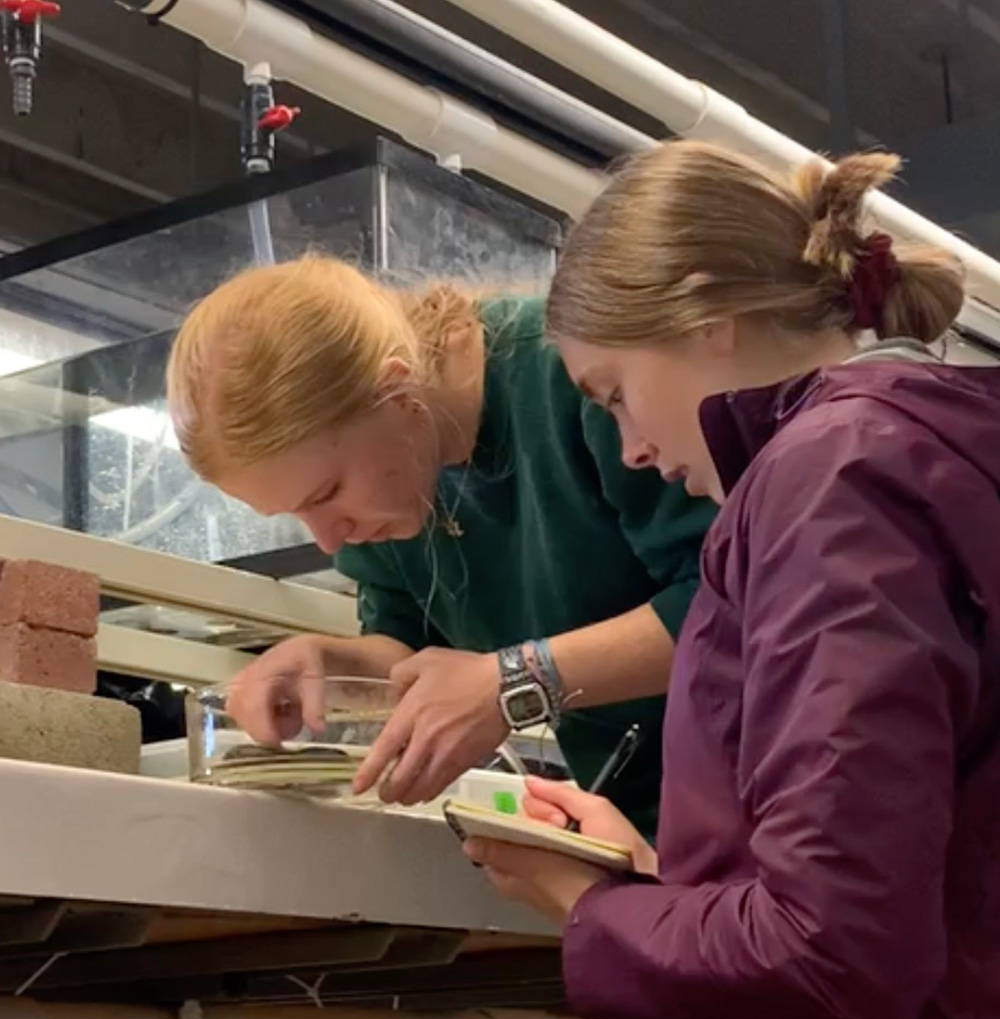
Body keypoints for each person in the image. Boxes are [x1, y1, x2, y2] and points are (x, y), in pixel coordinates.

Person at [466, 140, 1000, 1019]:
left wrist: (586, 907)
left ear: (704, 307)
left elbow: (833, 953)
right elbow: (913, 886)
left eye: (612, 393)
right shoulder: (940, 455)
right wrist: (664, 879)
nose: (625, 449)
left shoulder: (829, 480)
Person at [165, 261, 715, 833]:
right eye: (295, 515)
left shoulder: (577, 376)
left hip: (768, 775)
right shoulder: (394, 491)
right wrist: (334, 666)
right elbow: (409, 651)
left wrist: (515, 681)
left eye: (327, 493)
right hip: (653, 819)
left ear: (398, 390)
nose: (329, 538)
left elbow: (740, 604)